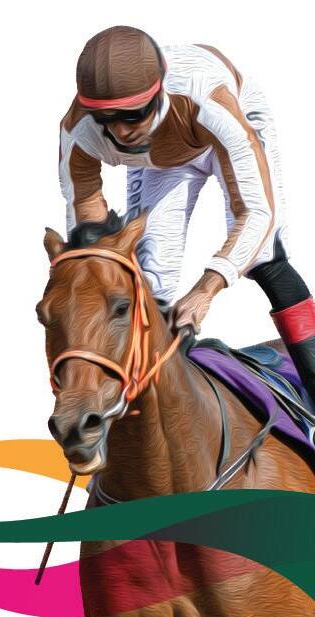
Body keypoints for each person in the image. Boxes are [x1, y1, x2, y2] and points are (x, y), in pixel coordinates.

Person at [59, 25, 315, 405]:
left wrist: (205, 290)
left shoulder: (206, 99)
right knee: (149, 282)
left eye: (134, 115)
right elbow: (89, 231)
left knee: (264, 257)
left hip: (222, 128)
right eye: (106, 119)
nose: (121, 131)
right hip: (163, 158)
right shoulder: (77, 131)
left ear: (160, 93)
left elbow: (256, 213)